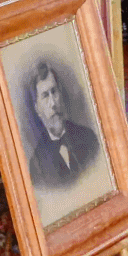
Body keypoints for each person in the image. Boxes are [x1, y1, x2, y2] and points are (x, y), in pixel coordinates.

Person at [27, 61, 102, 189]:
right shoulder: (36, 165)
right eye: (45, 96)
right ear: (37, 108)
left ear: (60, 94)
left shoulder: (88, 138)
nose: (53, 103)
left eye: (54, 92)